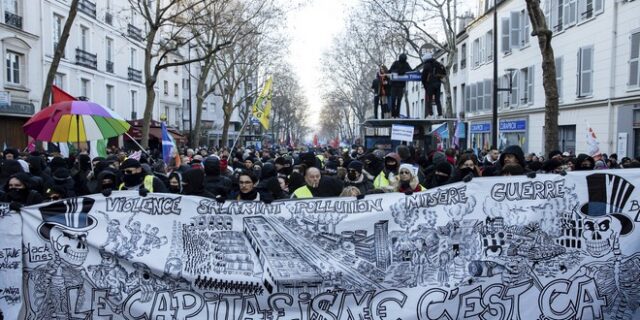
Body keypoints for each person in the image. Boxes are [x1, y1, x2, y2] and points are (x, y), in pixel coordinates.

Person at [388, 53, 412, 118]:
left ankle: (397, 114)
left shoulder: (406, 64)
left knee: (399, 100)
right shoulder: (395, 63)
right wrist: (397, 71)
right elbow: (390, 71)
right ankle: (393, 115)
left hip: (401, 85)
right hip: (394, 85)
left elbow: (410, 70)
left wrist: (403, 72)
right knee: (393, 100)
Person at [421, 52, 444, 118]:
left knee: (429, 100)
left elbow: (423, 77)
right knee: (437, 100)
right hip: (438, 83)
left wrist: (425, 85)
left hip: (430, 84)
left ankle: (431, 114)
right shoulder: (437, 63)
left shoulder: (426, 65)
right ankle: (440, 114)